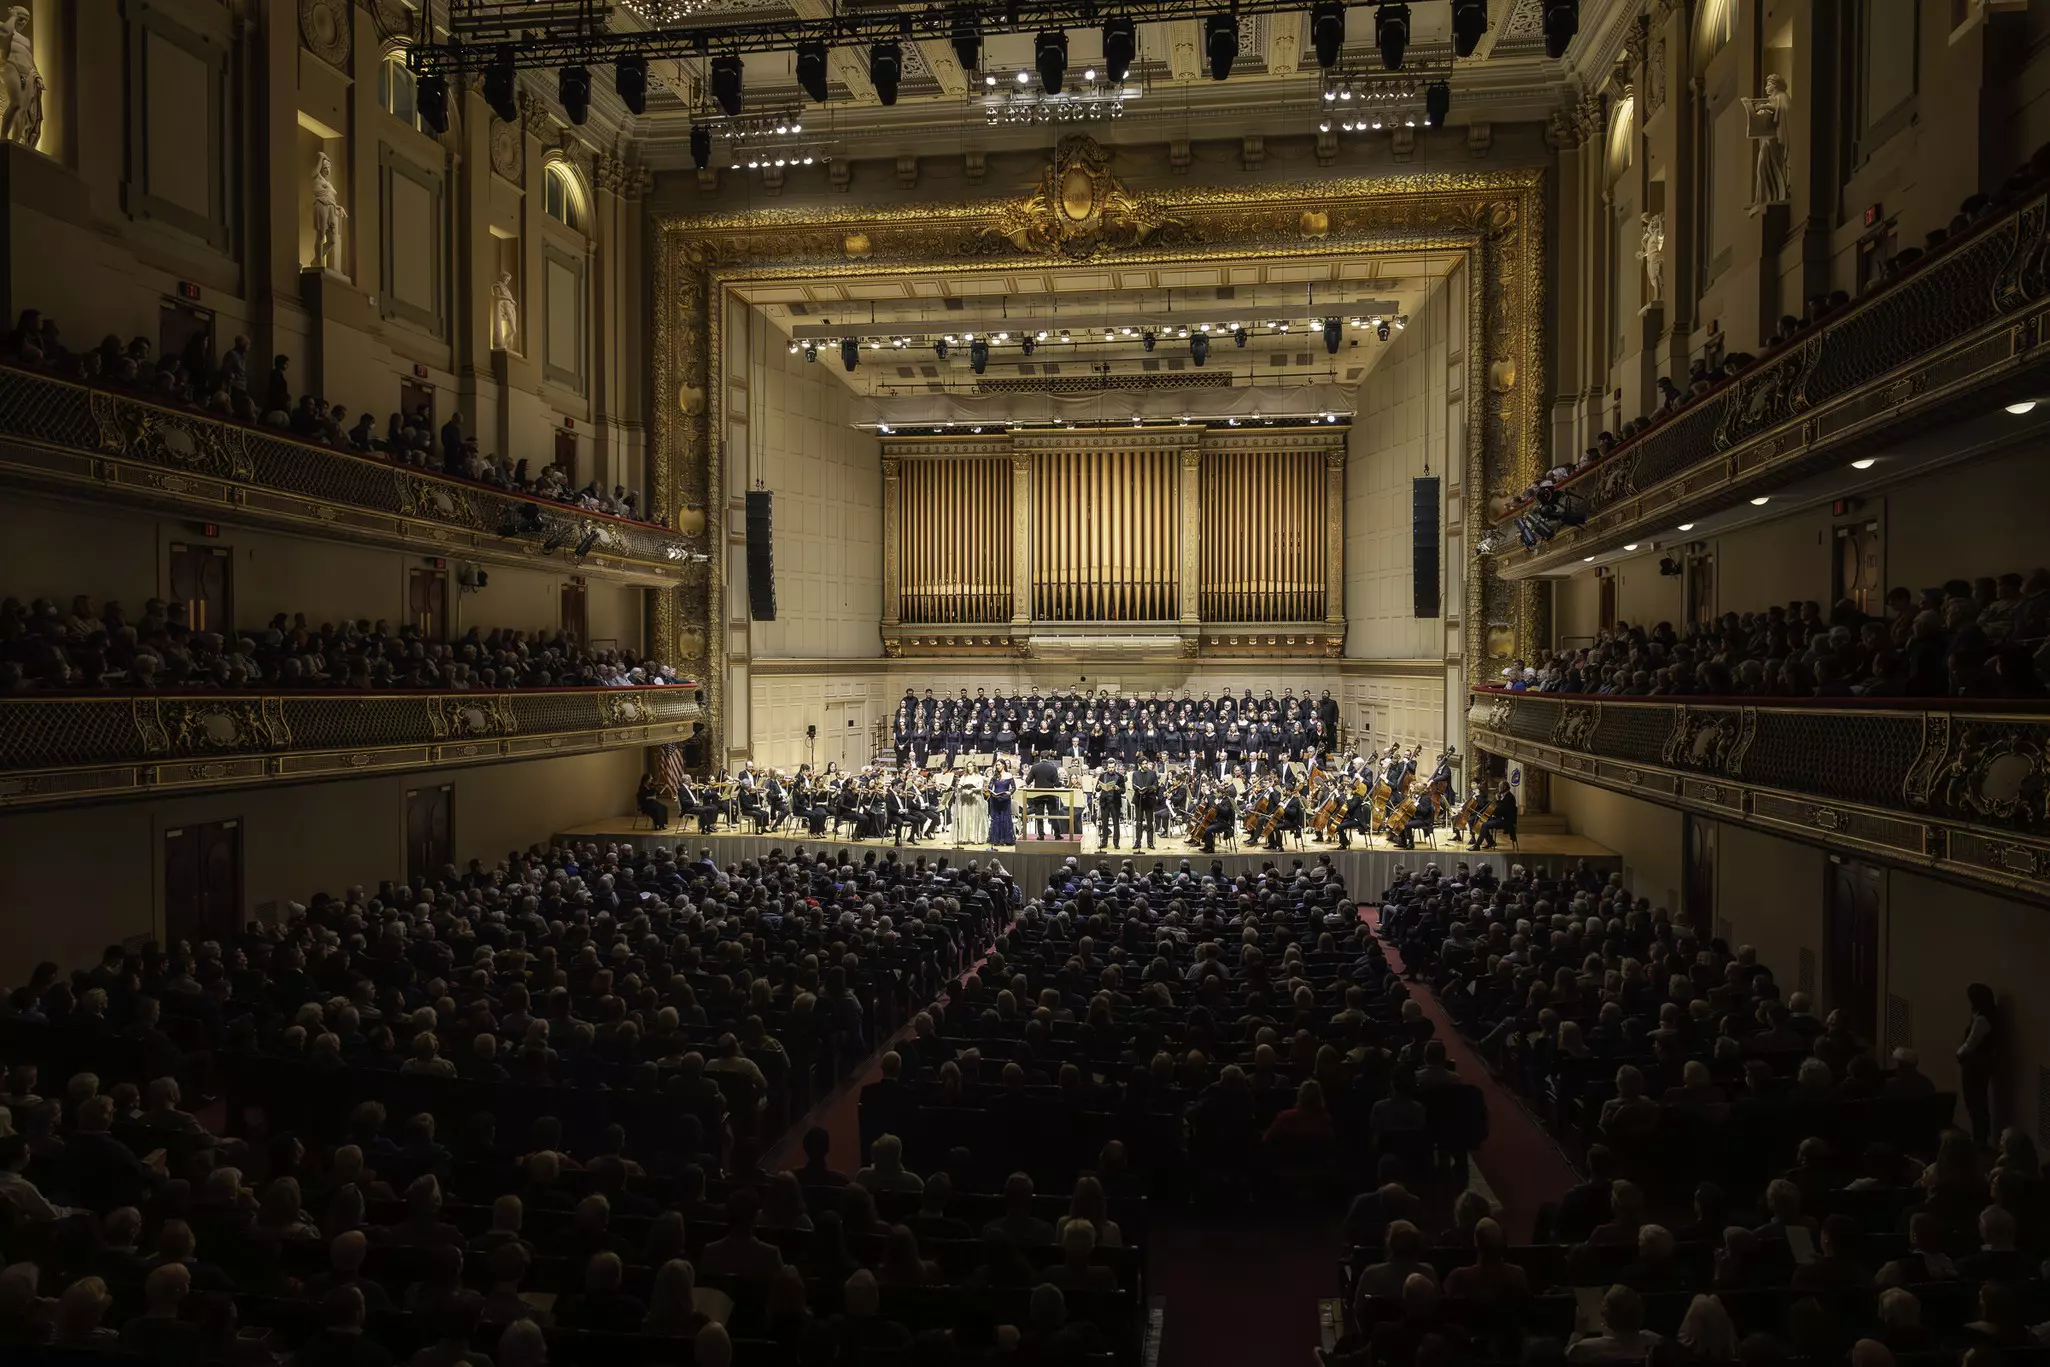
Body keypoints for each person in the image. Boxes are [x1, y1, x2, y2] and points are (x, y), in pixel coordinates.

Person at [1958, 982, 1998, 1145]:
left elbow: (1971, 1043)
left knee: (1974, 1102)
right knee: (1980, 1101)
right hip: (1983, 1064)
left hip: (1974, 1064)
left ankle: (1979, 1140)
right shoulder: (1990, 1015)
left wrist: (1959, 1053)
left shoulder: (1982, 1020)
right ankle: (1981, 1138)